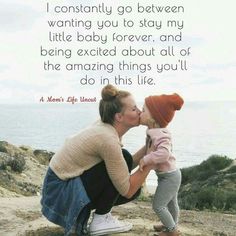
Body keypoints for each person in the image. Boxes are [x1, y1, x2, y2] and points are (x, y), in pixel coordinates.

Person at [41, 84, 150, 236]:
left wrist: (148, 149)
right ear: (119, 117)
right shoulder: (107, 139)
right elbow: (127, 190)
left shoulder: (107, 126)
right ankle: (100, 219)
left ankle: (101, 217)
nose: (139, 111)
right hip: (60, 194)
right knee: (132, 182)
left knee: (123, 161)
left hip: (57, 188)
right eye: (134, 109)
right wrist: (151, 163)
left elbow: (119, 167)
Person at [139, 93, 184, 236]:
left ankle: (171, 231)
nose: (140, 111)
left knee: (158, 205)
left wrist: (146, 159)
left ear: (154, 117)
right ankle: (171, 224)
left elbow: (164, 154)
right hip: (171, 175)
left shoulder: (160, 134)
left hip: (169, 177)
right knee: (171, 203)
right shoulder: (156, 131)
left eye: (144, 110)